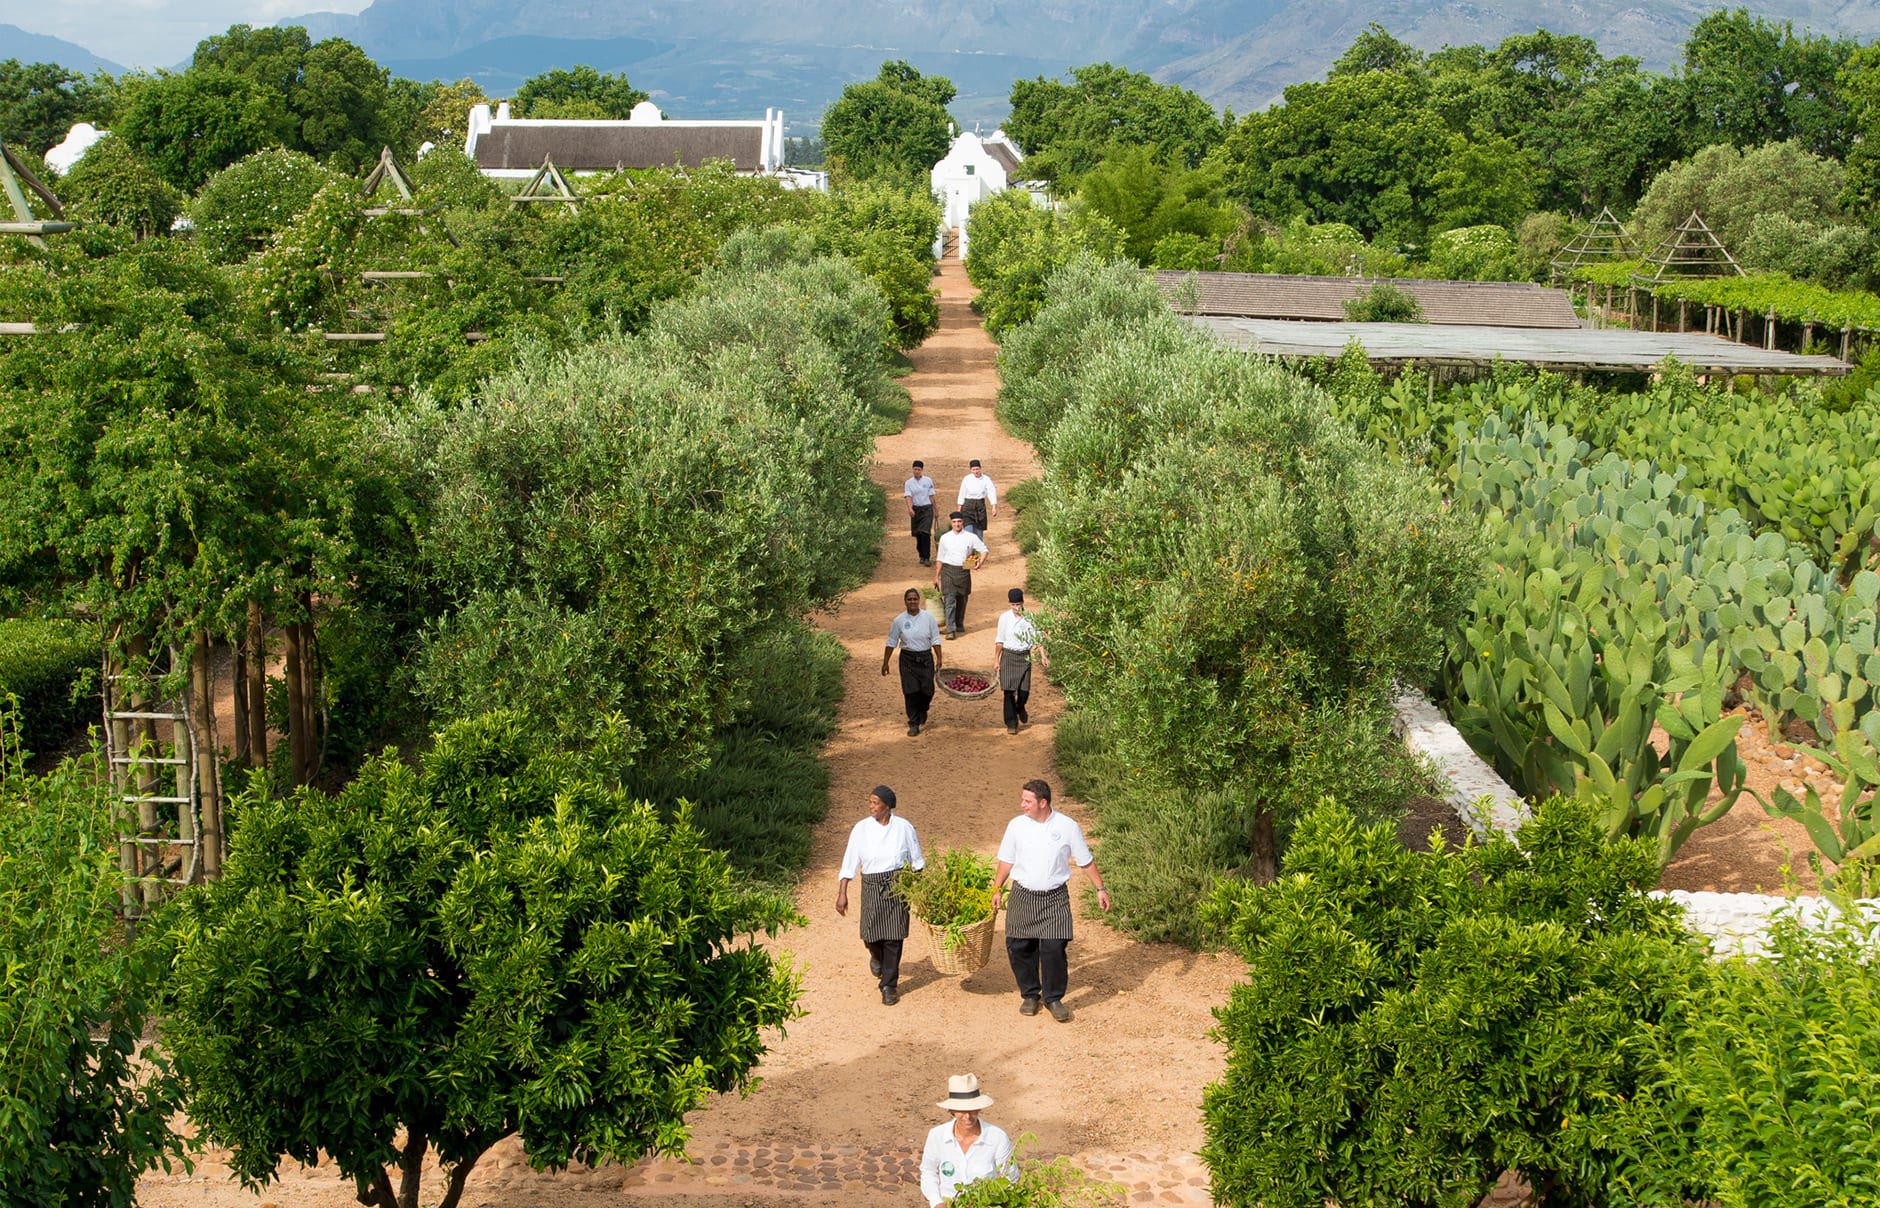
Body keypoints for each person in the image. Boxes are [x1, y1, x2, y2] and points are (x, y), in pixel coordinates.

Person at [990, 779, 1109, 1023]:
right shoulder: (1016, 826)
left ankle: (1054, 998)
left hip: (1055, 897)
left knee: (1054, 948)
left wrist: (1100, 888)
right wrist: (996, 888)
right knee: (1019, 947)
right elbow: (1006, 860)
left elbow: (1085, 860)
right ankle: (1030, 994)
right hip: (1022, 894)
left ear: (1043, 803)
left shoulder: (1067, 826)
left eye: (1027, 801)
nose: (1021, 804)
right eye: (1022, 799)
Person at [836, 785, 925, 1006]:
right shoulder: (861, 829)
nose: (871, 807)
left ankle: (889, 985)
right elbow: (849, 861)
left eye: (875, 803)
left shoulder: (904, 827)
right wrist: (842, 893)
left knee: (894, 937)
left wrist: (922, 892)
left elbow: (916, 860)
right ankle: (876, 956)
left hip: (897, 885)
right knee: (871, 934)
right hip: (872, 885)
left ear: (887, 806)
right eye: (870, 802)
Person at [920, 1073, 1016, 1206]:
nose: (967, 1116)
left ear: (979, 1108)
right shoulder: (937, 1136)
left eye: (972, 1110)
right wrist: (937, 1202)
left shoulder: (997, 1138)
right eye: (961, 1110)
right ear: (952, 1110)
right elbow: (928, 1171)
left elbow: (1010, 1178)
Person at [883, 587, 943, 736]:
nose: (912, 602)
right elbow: (891, 642)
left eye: (915, 599)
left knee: (928, 690)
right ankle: (913, 723)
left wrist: (939, 657)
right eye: (909, 599)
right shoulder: (899, 621)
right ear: (905, 601)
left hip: (925, 658)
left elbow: (935, 639)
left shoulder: (928, 618)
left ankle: (923, 709)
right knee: (911, 691)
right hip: (907, 659)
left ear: (919, 600)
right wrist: (885, 662)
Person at [993, 588, 1045, 736]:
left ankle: (1020, 706)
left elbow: (1038, 638)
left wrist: (1043, 655)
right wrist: (996, 660)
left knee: (1024, 691)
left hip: (1024, 657)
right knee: (1008, 691)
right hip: (1008, 656)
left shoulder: (1030, 618)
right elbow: (999, 641)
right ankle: (1011, 723)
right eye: (1013, 605)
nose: (1016, 608)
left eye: (1018, 604)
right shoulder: (1004, 618)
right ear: (1009, 604)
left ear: (1023, 603)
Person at [933, 511, 988, 638]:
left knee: (962, 599)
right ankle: (950, 630)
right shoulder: (945, 538)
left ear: (963, 522)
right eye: (954, 522)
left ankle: (958, 623)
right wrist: (936, 576)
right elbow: (940, 558)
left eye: (959, 522)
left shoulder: (971, 537)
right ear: (951, 523)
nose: (957, 524)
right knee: (949, 600)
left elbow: (984, 550)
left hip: (963, 571)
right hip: (947, 571)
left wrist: (980, 562)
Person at [905, 459, 937, 566]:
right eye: (915, 469)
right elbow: (908, 496)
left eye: (919, 469)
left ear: (922, 470)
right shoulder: (909, 483)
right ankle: (921, 555)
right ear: (912, 470)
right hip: (916, 510)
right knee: (918, 534)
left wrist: (935, 510)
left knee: (925, 533)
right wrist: (910, 509)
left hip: (927, 509)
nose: (917, 471)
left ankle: (927, 557)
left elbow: (932, 496)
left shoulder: (928, 481)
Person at [957, 459, 998, 538]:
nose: (975, 471)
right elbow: (962, 494)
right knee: (968, 532)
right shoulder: (967, 479)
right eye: (973, 470)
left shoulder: (986, 479)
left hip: (980, 506)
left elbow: (991, 492)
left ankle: (978, 549)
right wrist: (959, 510)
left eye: (977, 469)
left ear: (980, 468)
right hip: (967, 507)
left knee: (978, 533)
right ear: (970, 470)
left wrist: (994, 507)